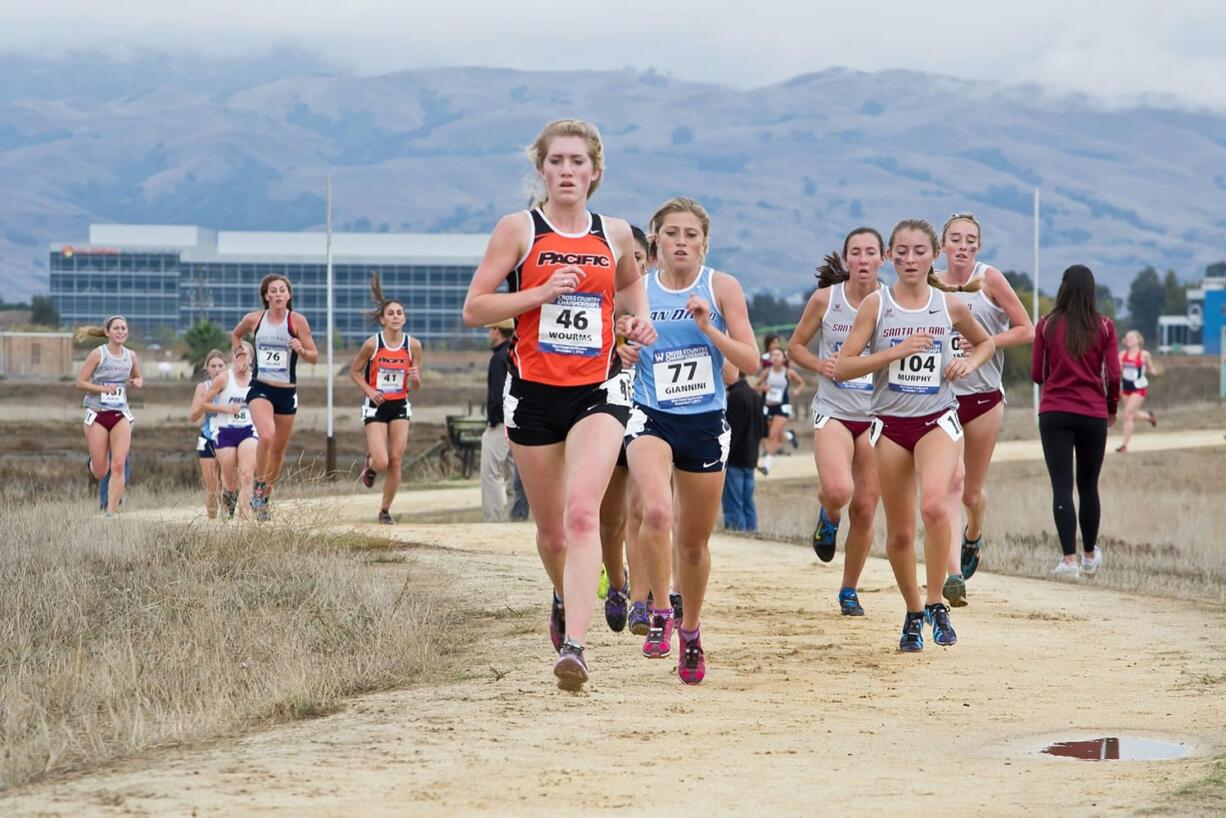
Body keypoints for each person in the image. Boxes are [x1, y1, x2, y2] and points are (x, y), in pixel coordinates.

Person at [461, 118, 655, 691]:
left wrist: (636, 323)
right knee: (551, 534)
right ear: (541, 169)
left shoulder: (614, 233)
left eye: (577, 162)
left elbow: (631, 293)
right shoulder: (519, 230)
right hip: (532, 395)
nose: (567, 172)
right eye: (556, 162)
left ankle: (575, 647)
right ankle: (563, 594)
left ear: (595, 171)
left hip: (598, 390)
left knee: (581, 514)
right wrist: (540, 293)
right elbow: (476, 308)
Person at [835, 218, 994, 652]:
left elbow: (987, 344)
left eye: (919, 251)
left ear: (934, 254)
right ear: (890, 256)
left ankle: (937, 600)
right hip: (890, 425)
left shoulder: (950, 307)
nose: (909, 259)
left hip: (937, 420)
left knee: (936, 507)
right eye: (901, 251)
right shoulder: (877, 305)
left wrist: (969, 364)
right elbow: (844, 366)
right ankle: (913, 612)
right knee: (901, 534)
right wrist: (894, 353)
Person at [623, 197, 758, 685]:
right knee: (657, 511)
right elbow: (613, 346)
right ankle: (659, 611)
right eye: (672, 233)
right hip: (650, 414)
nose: (682, 242)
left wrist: (708, 328)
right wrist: (622, 348)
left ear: (705, 242)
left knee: (694, 544)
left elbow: (750, 360)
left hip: (704, 422)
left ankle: (692, 630)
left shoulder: (722, 287)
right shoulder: (636, 289)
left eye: (691, 235)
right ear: (655, 238)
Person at [934, 213, 1034, 606]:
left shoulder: (989, 278)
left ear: (978, 246)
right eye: (955, 239)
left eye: (970, 240)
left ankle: (973, 534)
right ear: (942, 246)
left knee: (971, 492)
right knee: (951, 483)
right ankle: (953, 575)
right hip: (943, 399)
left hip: (984, 397)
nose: (962, 246)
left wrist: (984, 341)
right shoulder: (930, 282)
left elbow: (1026, 328)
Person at [786, 227, 884, 616]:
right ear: (846, 260)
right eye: (855, 252)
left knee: (865, 507)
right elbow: (795, 347)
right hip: (835, 410)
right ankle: (828, 516)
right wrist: (821, 364)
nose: (862, 259)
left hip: (876, 414)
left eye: (870, 252)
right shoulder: (826, 299)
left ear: (883, 258)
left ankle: (849, 589)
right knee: (839, 491)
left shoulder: (891, 302)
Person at [1032, 265, 1120, 578]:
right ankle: (1089, 554)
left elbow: (1036, 374)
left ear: (1064, 288)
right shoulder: (1105, 326)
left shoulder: (1046, 325)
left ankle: (1068, 560)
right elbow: (1114, 374)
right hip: (1093, 413)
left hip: (1054, 411)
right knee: (1088, 486)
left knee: (1061, 486)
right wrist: (1111, 408)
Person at [231, 274, 319, 520]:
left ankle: (263, 499)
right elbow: (235, 335)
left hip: (287, 391)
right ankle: (259, 483)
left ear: (288, 296)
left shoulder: (297, 321)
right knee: (266, 435)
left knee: (279, 450)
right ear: (266, 296)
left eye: (283, 290)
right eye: (274, 291)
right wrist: (240, 353)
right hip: (261, 387)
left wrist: (302, 350)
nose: (278, 294)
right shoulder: (254, 319)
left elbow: (315, 356)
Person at [601, 224, 651, 635]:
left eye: (637, 258)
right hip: (603, 413)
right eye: (624, 259)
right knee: (609, 517)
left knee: (642, 509)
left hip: (647, 416)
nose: (630, 265)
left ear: (647, 262)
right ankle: (617, 584)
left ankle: (642, 600)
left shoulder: (656, 305)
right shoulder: (602, 301)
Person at [351, 274, 422, 525]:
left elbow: (414, 386)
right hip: (376, 406)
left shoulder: (413, 345)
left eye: (399, 313)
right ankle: (370, 465)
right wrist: (370, 391)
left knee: (395, 459)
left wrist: (415, 377)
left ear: (404, 318)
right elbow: (354, 371)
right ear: (382, 319)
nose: (395, 317)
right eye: (390, 313)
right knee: (381, 460)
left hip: (400, 404)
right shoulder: (373, 344)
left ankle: (384, 510)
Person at [76, 315, 143, 516]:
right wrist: (103, 389)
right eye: (116, 328)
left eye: (124, 328)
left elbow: (137, 376)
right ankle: (92, 462)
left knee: (119, 464)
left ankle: (111, 513)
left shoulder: (131, 356)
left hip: (120, 414)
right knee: (100, 471)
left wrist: (138, 381)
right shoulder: (98, 354)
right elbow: (80, 382)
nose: (121, 331)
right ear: (107, 332)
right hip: (97, 413)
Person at [205, 342, 259, 518]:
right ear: (233, 358)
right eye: (238, 354)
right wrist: (225, 409)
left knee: (247, 475)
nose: (242, 358)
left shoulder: (257, 380)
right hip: (225, 431)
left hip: (248, 431)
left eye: (246, 355)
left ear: (251, 359)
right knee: (230, 480)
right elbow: (203, 403)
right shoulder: (224, 378)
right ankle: (228, 506)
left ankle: (245, 517)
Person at [721, 361, 766, 532]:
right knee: (748, 501)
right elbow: (762, 428)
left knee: (734, 502)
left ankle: (737, 532)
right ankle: (753, 531)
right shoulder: (755, 395)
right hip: (751, 457)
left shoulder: (734, 398)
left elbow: (730, 431)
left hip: (735, 459)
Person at [480, 319, 518, 521]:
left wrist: (494, 419)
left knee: (491, 476)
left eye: (490, 329)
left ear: (497, 331)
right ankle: (515, 518)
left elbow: (497, 394)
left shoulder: (498, 359)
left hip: (499, 425)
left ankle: (493, 520)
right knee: (512, 476)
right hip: (516, 423)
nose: (489, 334)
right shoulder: (515, 353)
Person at [188, 350, 229, 519]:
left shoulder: (232, 385)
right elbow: (193, 416)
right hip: (207, 436)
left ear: (226, 368)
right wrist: (205, 402)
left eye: (221, 366)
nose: (217, 369)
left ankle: (228, 518)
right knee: (212, 486)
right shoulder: (202, 387)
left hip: (228, 436)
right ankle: (212, 522)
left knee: (227, 483)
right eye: (213, 366)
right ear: (207, 368)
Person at [755, 347, 804, 475]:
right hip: (768, 406)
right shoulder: (767, 372)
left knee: (772, 436)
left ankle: (766, 465)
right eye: (773, 355)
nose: (775, 357)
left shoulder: (788, 372)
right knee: (773, 435)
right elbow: (756, 387)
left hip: (782, 407)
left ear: (783, 358)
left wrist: (797, 390)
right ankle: (789, 435)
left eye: (778, 355)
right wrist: (763, 388)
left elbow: (801, 382)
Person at [1117, 330, 1159, 452]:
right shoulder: (1122, 354)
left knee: (1127, 415)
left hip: (1138, 388)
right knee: (1131, 413)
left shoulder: (1144, 355)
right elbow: (1118, 371)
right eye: (1127, 337)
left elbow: (1152, 370)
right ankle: (1149, 417)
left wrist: (1155, 371)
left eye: (1131, 337)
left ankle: (1124, 445)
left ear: (1138, 340)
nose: (1129, 339)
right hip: (1125, 388)